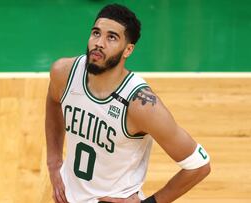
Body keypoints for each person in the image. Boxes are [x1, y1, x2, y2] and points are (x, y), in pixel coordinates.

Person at [45, 3, 211, 203]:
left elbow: (199, 166)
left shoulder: (141, 105)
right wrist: (54, 162)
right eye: (96, 33)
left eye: (111, 38)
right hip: (68, 197)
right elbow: (54, 101)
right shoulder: (64, 72)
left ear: (128, 50)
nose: (99, 43)